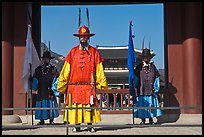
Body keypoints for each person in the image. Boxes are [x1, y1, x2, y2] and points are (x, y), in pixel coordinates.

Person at [56, 25, 108, 132]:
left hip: (89, 85)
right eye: (81, 36)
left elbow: (99, 69)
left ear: (88, 38)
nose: (83, 38)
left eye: (85, 36)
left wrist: (100, 82)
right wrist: (62, 83)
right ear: (78, 38)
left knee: (90, 104)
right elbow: (66, 69)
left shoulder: (94, 52)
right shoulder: (73, 52)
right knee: (74, 105)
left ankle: (90, 125)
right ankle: (77, 125)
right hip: (74, 86)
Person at [133, 48, 162, 124]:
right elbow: (135, 78)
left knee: (151, 105)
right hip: (141, 90)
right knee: (143, 105)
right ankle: (143, 119)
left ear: (149, 57)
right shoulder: (139, 67)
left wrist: (156, 88)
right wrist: (135, 86)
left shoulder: (153, 67)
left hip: (150, 90)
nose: (146, 58)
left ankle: (151, 119)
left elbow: (157, 77)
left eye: (148, 57)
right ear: (143, 58)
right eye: (145, 57)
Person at [31, 50, 59, 125]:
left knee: (51, 104)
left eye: (47, 58)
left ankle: (51, 119)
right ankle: (42, 120)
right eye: (44, 58)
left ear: (49, 59)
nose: (45, 60)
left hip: (50, 90)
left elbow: (56, 79)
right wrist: (33, 84)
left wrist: (54, 88)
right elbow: (35, 79)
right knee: (41, 104)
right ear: (43, 59)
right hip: (41, 89)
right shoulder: (38, 69)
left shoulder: (53, 69)